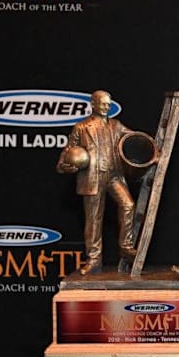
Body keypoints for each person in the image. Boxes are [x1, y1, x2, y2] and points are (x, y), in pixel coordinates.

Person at [56, 90, 138, 275]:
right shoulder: (82, 127)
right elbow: (68, 150)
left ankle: (126, 247)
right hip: (92, 177)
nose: (106, 107)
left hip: (113, 175)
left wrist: (152, 147)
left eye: (109, 104)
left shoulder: (116, 125)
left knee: (128, 205)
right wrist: (64, 166)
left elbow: (133, 139)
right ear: (93, 104)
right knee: (94, 220)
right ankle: (94, 260)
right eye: (103, 104)